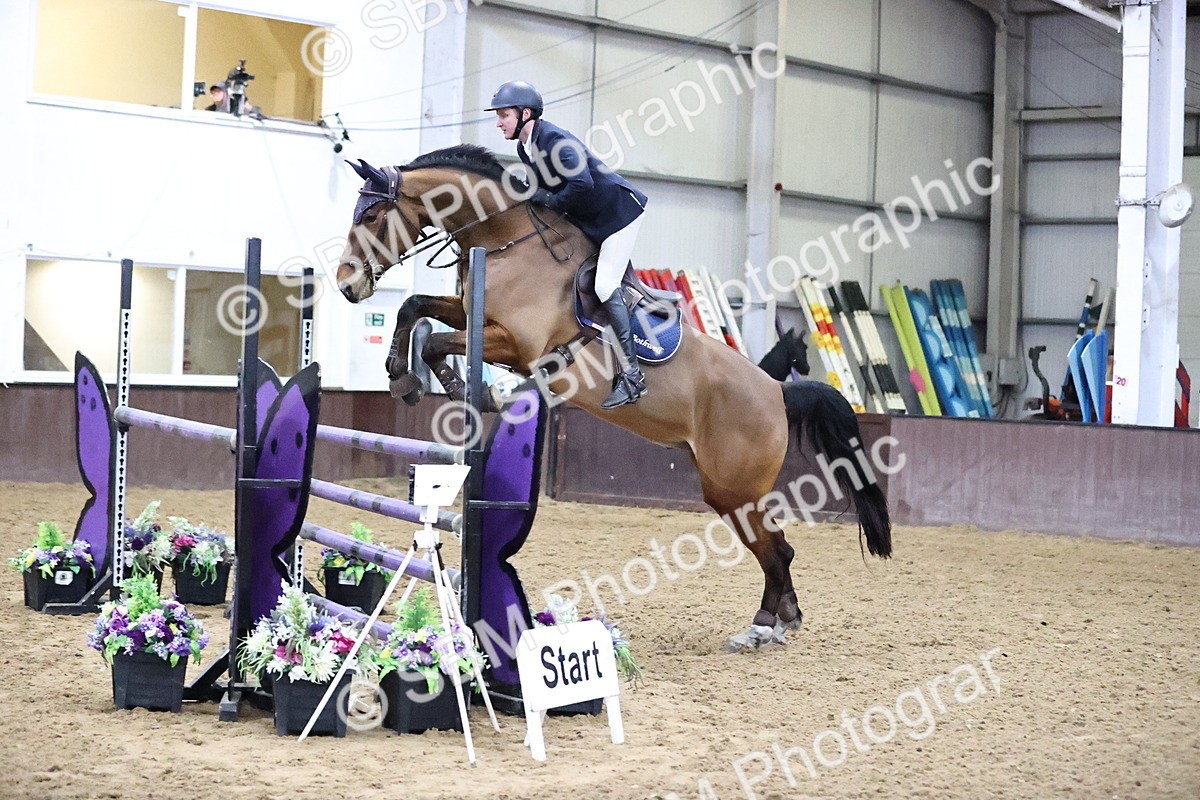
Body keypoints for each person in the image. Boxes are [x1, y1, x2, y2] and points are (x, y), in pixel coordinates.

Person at [487, 80, 649, 409]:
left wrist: (546, 198)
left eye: (504, 115)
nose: (499, 123)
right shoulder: (526, 147)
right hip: (591, 218)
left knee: (604, 285)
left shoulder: (554, 140)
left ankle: (633, 377)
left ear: (525, 114)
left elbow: (581, 183)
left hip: (619, 215)